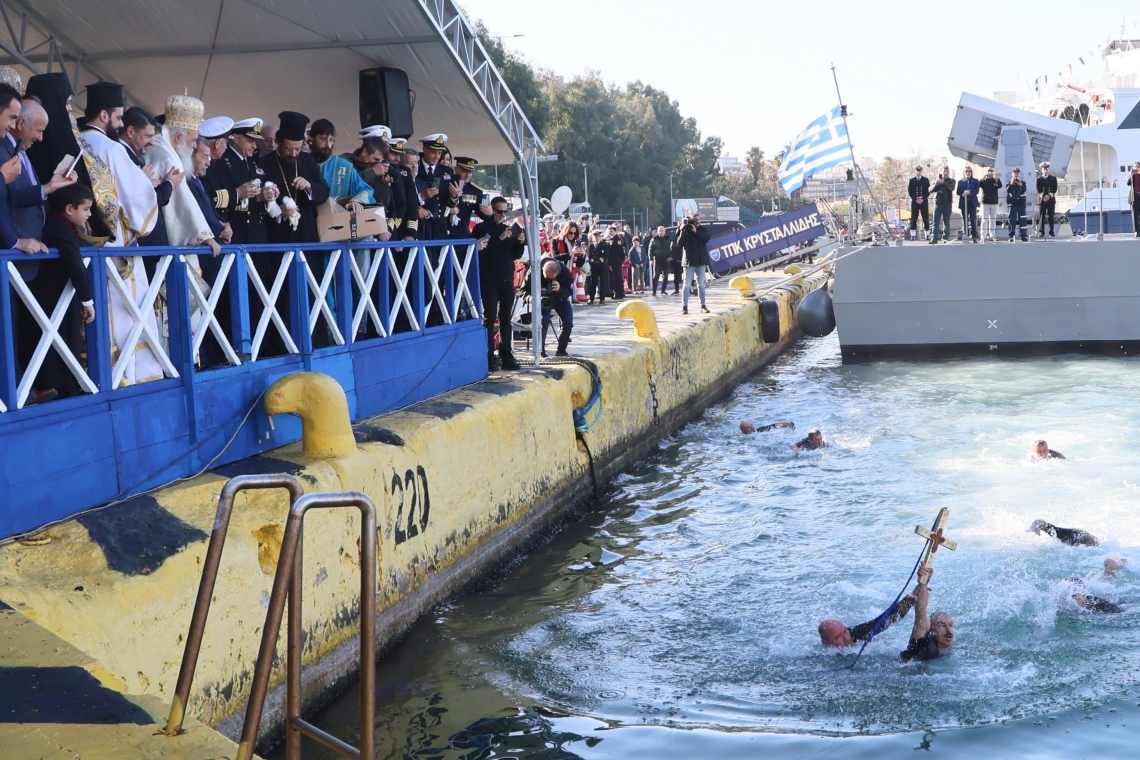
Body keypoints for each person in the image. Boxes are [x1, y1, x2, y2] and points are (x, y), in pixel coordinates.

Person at [78, 81, 169, 387]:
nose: (121, 123)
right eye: (118, 117)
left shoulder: (74, 141)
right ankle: (129, 375)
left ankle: (99, 374)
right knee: (127, 314)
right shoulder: (112, 148)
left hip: (85, 243)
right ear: (104, 115)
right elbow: (139, 204)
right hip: (118, 247)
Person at [36, 182, 96, 397]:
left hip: (59, 294)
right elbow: (74, 263)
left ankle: (66, 386)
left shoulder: (62, 225)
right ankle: (62, 389)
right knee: (61, 340)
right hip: (53, 295)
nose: (89, 214)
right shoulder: (59, 228)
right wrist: (87, 300)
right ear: (70, 209)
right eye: (86, 209)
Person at [257, 111, 330, 245]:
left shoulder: (308, 160)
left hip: (306, 232)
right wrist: (278, 210)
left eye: (297, 149)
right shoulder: (264, 164)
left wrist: (309, 187)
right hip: (277, 235)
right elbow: (257, 203)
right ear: (278, 142)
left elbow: (325, 191)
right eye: (288, 149)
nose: (293, 154)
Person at [204, 117, 278, 246]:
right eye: (250, 140)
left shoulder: (253, 164)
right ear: (236, 138)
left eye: (255, 141)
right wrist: (257, 197)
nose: (254, 146)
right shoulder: (221, 162)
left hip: (257, 235)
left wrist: (270, 196)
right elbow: (215, 198)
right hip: (235, 233)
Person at [473, 196, 525, 371]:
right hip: (489, 280)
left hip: (506, 279)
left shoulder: (508, 228)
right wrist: (500, 238)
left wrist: (521, 242)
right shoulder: (482, 228)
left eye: (505, 212)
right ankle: (488, 356)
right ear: (492, 210)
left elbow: (515, 255)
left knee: (506, 319)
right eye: (500, 211)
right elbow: (484, 252)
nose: (503, 215)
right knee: (489, 318)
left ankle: (506, 355)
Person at [818, 587, 919, 646]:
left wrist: (906, 603)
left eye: (844, 631)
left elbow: (880, 623)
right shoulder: (819, 654)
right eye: (838, 637)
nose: (845, 637)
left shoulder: (855, 634)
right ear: (826, 642)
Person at [900, 572, 953, 661]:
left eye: (950, 625)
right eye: (941, 625)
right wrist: (924, 581)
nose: (948, 630)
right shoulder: (923, 644)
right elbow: (921, 612)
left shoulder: (952, 651)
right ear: (930, 629)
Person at [448, 156, 491, 238]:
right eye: (465, 171)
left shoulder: (475, 191)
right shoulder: (445, 184)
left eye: (470, 172)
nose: (468, 175)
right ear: (456, 168)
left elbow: (484, 216)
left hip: (462, 237)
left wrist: (490, 213)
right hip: (442, 236)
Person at [677, 213, 711, 314]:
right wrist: (682, 229)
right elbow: (679, 244)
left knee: (701, 284)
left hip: (700, 262)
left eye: (698, 220)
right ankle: (684, 307)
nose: (696, 222)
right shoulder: (684, 231)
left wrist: (696, 231)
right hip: (688, 262)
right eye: (694, 220)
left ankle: (703, 306)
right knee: (686, 285)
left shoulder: (702, 229)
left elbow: (706, 239)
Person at [540, 259, 573, 357]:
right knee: (543, 322)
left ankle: (561, 350)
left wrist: (560, 289)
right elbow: (524, 290)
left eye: (551, 280)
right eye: (547, 279)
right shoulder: (534, 270)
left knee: (568, 322)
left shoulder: (564, 271)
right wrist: (531, 298)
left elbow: (570, 289)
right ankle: (540, 351)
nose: (549, 282)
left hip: (560, 298)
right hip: (543, 299)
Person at [929, 166, 954, 244]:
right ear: (941, 172)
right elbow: (930, 190)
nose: (945, 173)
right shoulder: (937, 180)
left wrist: (944, 183)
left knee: (946, 222)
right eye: (944, 171)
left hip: (947, 203)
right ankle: (934, 238)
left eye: (947, 171)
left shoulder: (951, 181)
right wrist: (936, 184)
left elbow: (951, 188)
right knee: (935, 222)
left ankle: (945, 238)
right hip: (938, 203)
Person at [956, 166, 980, 243]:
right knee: (965, 220)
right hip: (964, 203)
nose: (967, 173)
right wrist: (963, 193)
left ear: (971, 172)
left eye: (969, 171)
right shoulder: (960, 182)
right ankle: (965, 235)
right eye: (966, 171)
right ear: (964, 172)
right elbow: (958, 191)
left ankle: (974, 236)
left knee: (973, 220)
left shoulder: (975, 181)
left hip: (972, 203)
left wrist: (970, 192)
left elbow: (976, 191)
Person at [1029, 520, 1099, 547]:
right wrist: (1035, 526)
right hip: (1078, 535)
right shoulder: (1068, 536)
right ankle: (1035, 526)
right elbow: (1045, 524)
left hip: (1082, 537)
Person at [648, 226, 675, 296]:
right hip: (657, 259)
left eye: (662, 230)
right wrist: (651, 259)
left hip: (666, 260)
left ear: (664, 231)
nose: (661, 232)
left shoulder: (669, 239)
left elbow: (674, 248)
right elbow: (650, 250)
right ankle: (654, 291)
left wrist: (672, 257)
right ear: (657, 231)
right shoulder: (654, 239)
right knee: (656, 275)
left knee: (665, 276)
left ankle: (663, 290)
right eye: (659, 230)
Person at [979, 167, 1002, 242]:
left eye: (991, 171)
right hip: (985, 202)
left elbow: (1000, 186)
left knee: (993, 220)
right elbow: (980, 184)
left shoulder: (995, 180)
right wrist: (985, 177)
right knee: (984, 219)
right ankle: (983, 235)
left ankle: (992, 235)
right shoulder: (984, 180)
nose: (990, 172)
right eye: (989, 171)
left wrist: (997, 178)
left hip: (994, 202)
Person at [586, 228, 609, 305]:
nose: (597, 238)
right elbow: (590, 255)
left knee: (603, 282)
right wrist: (592, 261)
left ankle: (602, 298)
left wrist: (600, 260)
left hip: (602, 265)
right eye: (595, 236)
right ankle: (591, 298)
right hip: (594, 266)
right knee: (593, 282)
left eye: (598, 236)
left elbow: (606, 255)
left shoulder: (604, 244)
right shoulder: (592, 245)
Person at [1006, 168, 1030, 242]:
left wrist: (1020, 185)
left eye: (1017, 173)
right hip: (1012, 204)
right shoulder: (1009, 183)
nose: (1016, 174)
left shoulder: (1023, 183)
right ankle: (1011, 236)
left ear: (1019, 174)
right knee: (1011, 220)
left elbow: (1024, 190)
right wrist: (1012, 183)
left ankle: (1023, 235)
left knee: (1022, 220)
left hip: (1021, 204)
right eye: (1015, 173)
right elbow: (1008, 190)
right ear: (1012, 174)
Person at [907, 165, 930, 240]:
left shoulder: (925, 180)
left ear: (921, 171)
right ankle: (913, 235)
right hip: (915, 201)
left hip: (923, 201)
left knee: (925, 218)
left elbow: (928, 191)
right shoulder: (912, 180)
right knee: (914, 218)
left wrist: (923, 198)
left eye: (919, 171)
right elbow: (910, 191)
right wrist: (915, 199)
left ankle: (927, 235)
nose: (918, 172)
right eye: (917, 171)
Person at [605, 225, 627, 301]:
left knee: (617, 277)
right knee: (615, 277)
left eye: (612, 231)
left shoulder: (617, 239)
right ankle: (619, 292)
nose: (610, 232)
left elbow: (620, 251)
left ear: (615, 231)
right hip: (613, 261)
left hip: (616, 261)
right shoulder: (611, 239)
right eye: (609, 231)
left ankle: (619, 293)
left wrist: (622, 260)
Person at [1037, 162, 1058, 237]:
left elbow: (1054, 189)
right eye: (1044, 169)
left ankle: (1051, 231)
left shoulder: (1053, 178)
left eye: (1047, 169)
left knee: (1051, 216)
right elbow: (1038, 190)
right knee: (1042, 216)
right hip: (1042, 201)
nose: (1045, 170)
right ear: (1042, 170)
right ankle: (1041, 232)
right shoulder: (1039, 179)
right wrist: (1043, 197)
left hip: (1051, 200)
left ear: (1048, 170)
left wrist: (1049, 196)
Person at [1127, 161, 1140, 238]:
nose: (1136, 168)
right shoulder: (1132, 176)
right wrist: (1130, 175)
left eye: (1138, 167)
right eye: (1135, 167)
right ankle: (1136, 231)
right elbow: (1128, 183)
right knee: (1135, 214)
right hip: (1134, 196)